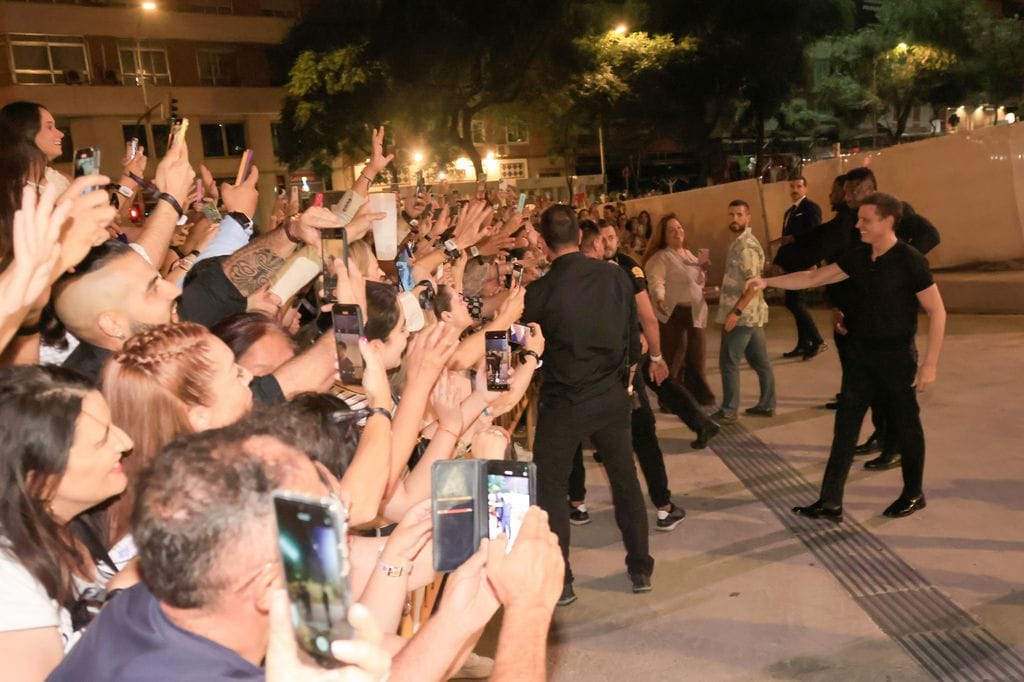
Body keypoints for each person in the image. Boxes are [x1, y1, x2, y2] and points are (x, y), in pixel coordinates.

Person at [746, 192, 946, 520]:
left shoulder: (910, 260)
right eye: (859, 219)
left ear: (888, 222)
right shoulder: (858, 256)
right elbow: (814, 277)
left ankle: (914, 493)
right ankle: (830, 501)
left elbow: (937, 311)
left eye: (866, 220)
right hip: (859, 354)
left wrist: (930, 365)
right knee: (845, 428)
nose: (858, 225)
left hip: (896, 356)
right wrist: (766, 281)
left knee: (906, 424)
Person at [523, 204, 654, 605]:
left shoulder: (539, 292)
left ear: (543, 245)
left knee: (551, 487)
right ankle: (640, 567)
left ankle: (561, 581)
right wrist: (628, 379)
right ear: (581, 236)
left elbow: (522, 347)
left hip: (563, 400)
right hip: (611, 396)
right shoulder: (614, 277)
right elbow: (633, 338)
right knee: (625, 479)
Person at [0, 365, 133, 680]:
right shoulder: (8, 583)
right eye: (102, 441)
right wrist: (118, 600)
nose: (125, 442)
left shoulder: (72, 522)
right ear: (39, 481)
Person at [643, 213, 715, 404]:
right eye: (671, 230)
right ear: (663, 235)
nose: (677, 232)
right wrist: (658, 298)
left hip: (695, 313)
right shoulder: (661, 257)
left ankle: (696, 395)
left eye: (679, 228)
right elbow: (655, 281)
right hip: (673, 314)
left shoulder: (690, 255)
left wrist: (703, 280)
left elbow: (696, 282)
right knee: (673, 358)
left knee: (697, 357)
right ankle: (670, 400)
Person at [716, 200, 776, 422]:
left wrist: (736, 312)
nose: (734, 219)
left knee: (729, 362)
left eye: (739, 215)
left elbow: (753, 284)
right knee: (760, 361)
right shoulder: (738, 242)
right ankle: (767, 404)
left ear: (748, 217)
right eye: (731, 214)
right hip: (753, 314)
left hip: (743, 316)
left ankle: (729, 411)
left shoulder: (746, 246)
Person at [770, 176, 826, 360]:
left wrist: (813, 261)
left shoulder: (811, 208)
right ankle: (803, 344)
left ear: (805, 188)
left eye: (799, 186)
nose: (795, 189)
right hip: (792, 264)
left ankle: (817, 340)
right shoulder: (789, 212)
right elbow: (786, 239)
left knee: (796, 302)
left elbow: (816, 235)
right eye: (792, 186)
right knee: (793, 301)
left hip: (804, 263)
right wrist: (779, 261)